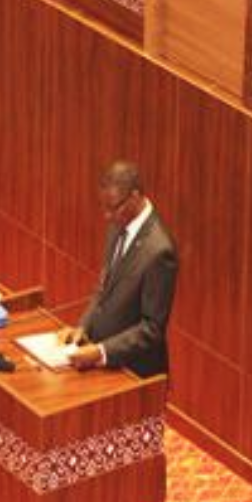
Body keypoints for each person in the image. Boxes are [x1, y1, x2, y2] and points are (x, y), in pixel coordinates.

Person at [58, 161, 178, 377]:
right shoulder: (118, 226)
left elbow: (151, 329)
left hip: (133, 373)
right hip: (101, 364)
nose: (107, 216)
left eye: (113, 208)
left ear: (134, 197)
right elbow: (103, 288)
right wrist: (83, 327)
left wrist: (101, 352)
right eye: (104, 207)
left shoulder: (160, 251)